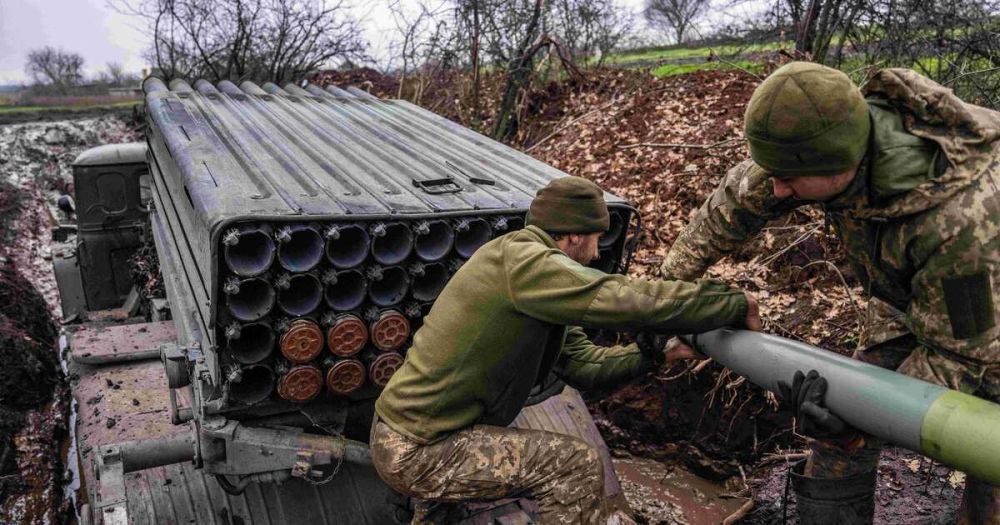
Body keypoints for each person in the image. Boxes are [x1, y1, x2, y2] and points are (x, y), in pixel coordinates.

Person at [660, 61, 1000, 523]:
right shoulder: (817, 142)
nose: (779, 189)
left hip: (983, 314)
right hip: (903, 296)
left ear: (843, 163)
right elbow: (733, 203)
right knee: (837, 431)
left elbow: (957, 355)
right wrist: (665, 297)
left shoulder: (961, 220)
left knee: (989, 457)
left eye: (789, 178)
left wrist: (857, 426)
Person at [370, 176, 760, 524]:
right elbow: (619, 297)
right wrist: (729, 303)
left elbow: (582, 364)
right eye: (596, 238)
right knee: (574, 465)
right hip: (420, 446)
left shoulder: (535, 280)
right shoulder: (526, 263)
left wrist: (659, 354)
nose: (596, 253)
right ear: (574, 235)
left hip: (421, 435)